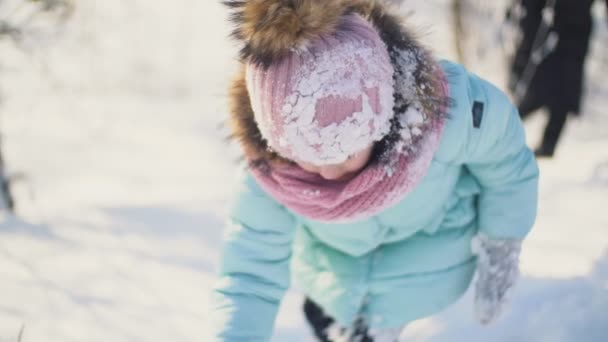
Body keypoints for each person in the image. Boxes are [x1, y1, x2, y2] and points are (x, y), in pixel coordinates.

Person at [210, 0, 539, 341]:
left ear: (383, 118)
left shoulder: (450, 118)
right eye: (305, 157)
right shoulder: (272, 176)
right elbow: (250, 272)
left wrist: (503, 240)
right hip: (332, 285)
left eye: (346, 153)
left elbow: (507, 166)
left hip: (429, 267)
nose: (327, 174)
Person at [507, 0, 605, 158]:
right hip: (551, 32)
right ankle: (500, 130)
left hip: (575, 36)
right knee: (537, 93)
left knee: (563, 98)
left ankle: (547, 145)